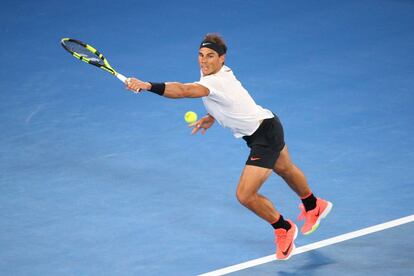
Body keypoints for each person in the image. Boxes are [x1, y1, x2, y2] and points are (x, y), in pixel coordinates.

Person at [125, 33, 332, 260]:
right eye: (201, 55)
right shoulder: (212, 73)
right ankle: (314, 205)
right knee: (285, 168)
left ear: (222, 58)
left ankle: (283, 228)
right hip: (267, 124)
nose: (204, 61)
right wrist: (211, 116)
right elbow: (223, 99)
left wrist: (146, 85)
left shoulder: (216, 80)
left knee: (245, 195)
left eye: (210, 56)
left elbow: (184, 91)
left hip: (264, 136)